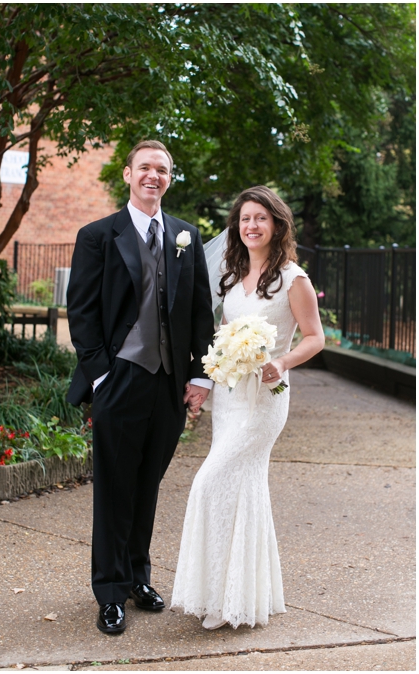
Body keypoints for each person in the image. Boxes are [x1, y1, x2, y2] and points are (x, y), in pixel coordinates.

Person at [66, 140, 215, 635]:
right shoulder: (98, 236)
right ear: (129, 174)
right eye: (145, 168)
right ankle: (109, 591)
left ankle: (136, 577)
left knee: (147, 485)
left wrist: (198, 375)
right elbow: (82, 313)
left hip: (169, 382)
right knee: (114, 487)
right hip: (121, 377)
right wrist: (102, 375)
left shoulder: (186, 237)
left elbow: (198, 312)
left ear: (170, 178)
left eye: (163, 170)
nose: (154, 175)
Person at [170, 185, 324, 629]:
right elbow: (222, 341)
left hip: (266, 400)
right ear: (236, 227)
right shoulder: (232, 278)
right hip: (231, 399)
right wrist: (207, 385)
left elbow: (316, 337)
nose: (251, 226)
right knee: (240, 490)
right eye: (244, 219)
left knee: (208, 482)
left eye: (260, 218)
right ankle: (230, 599)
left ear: (276, 224)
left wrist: (282, 360)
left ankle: (227, 596)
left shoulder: (294, 279)